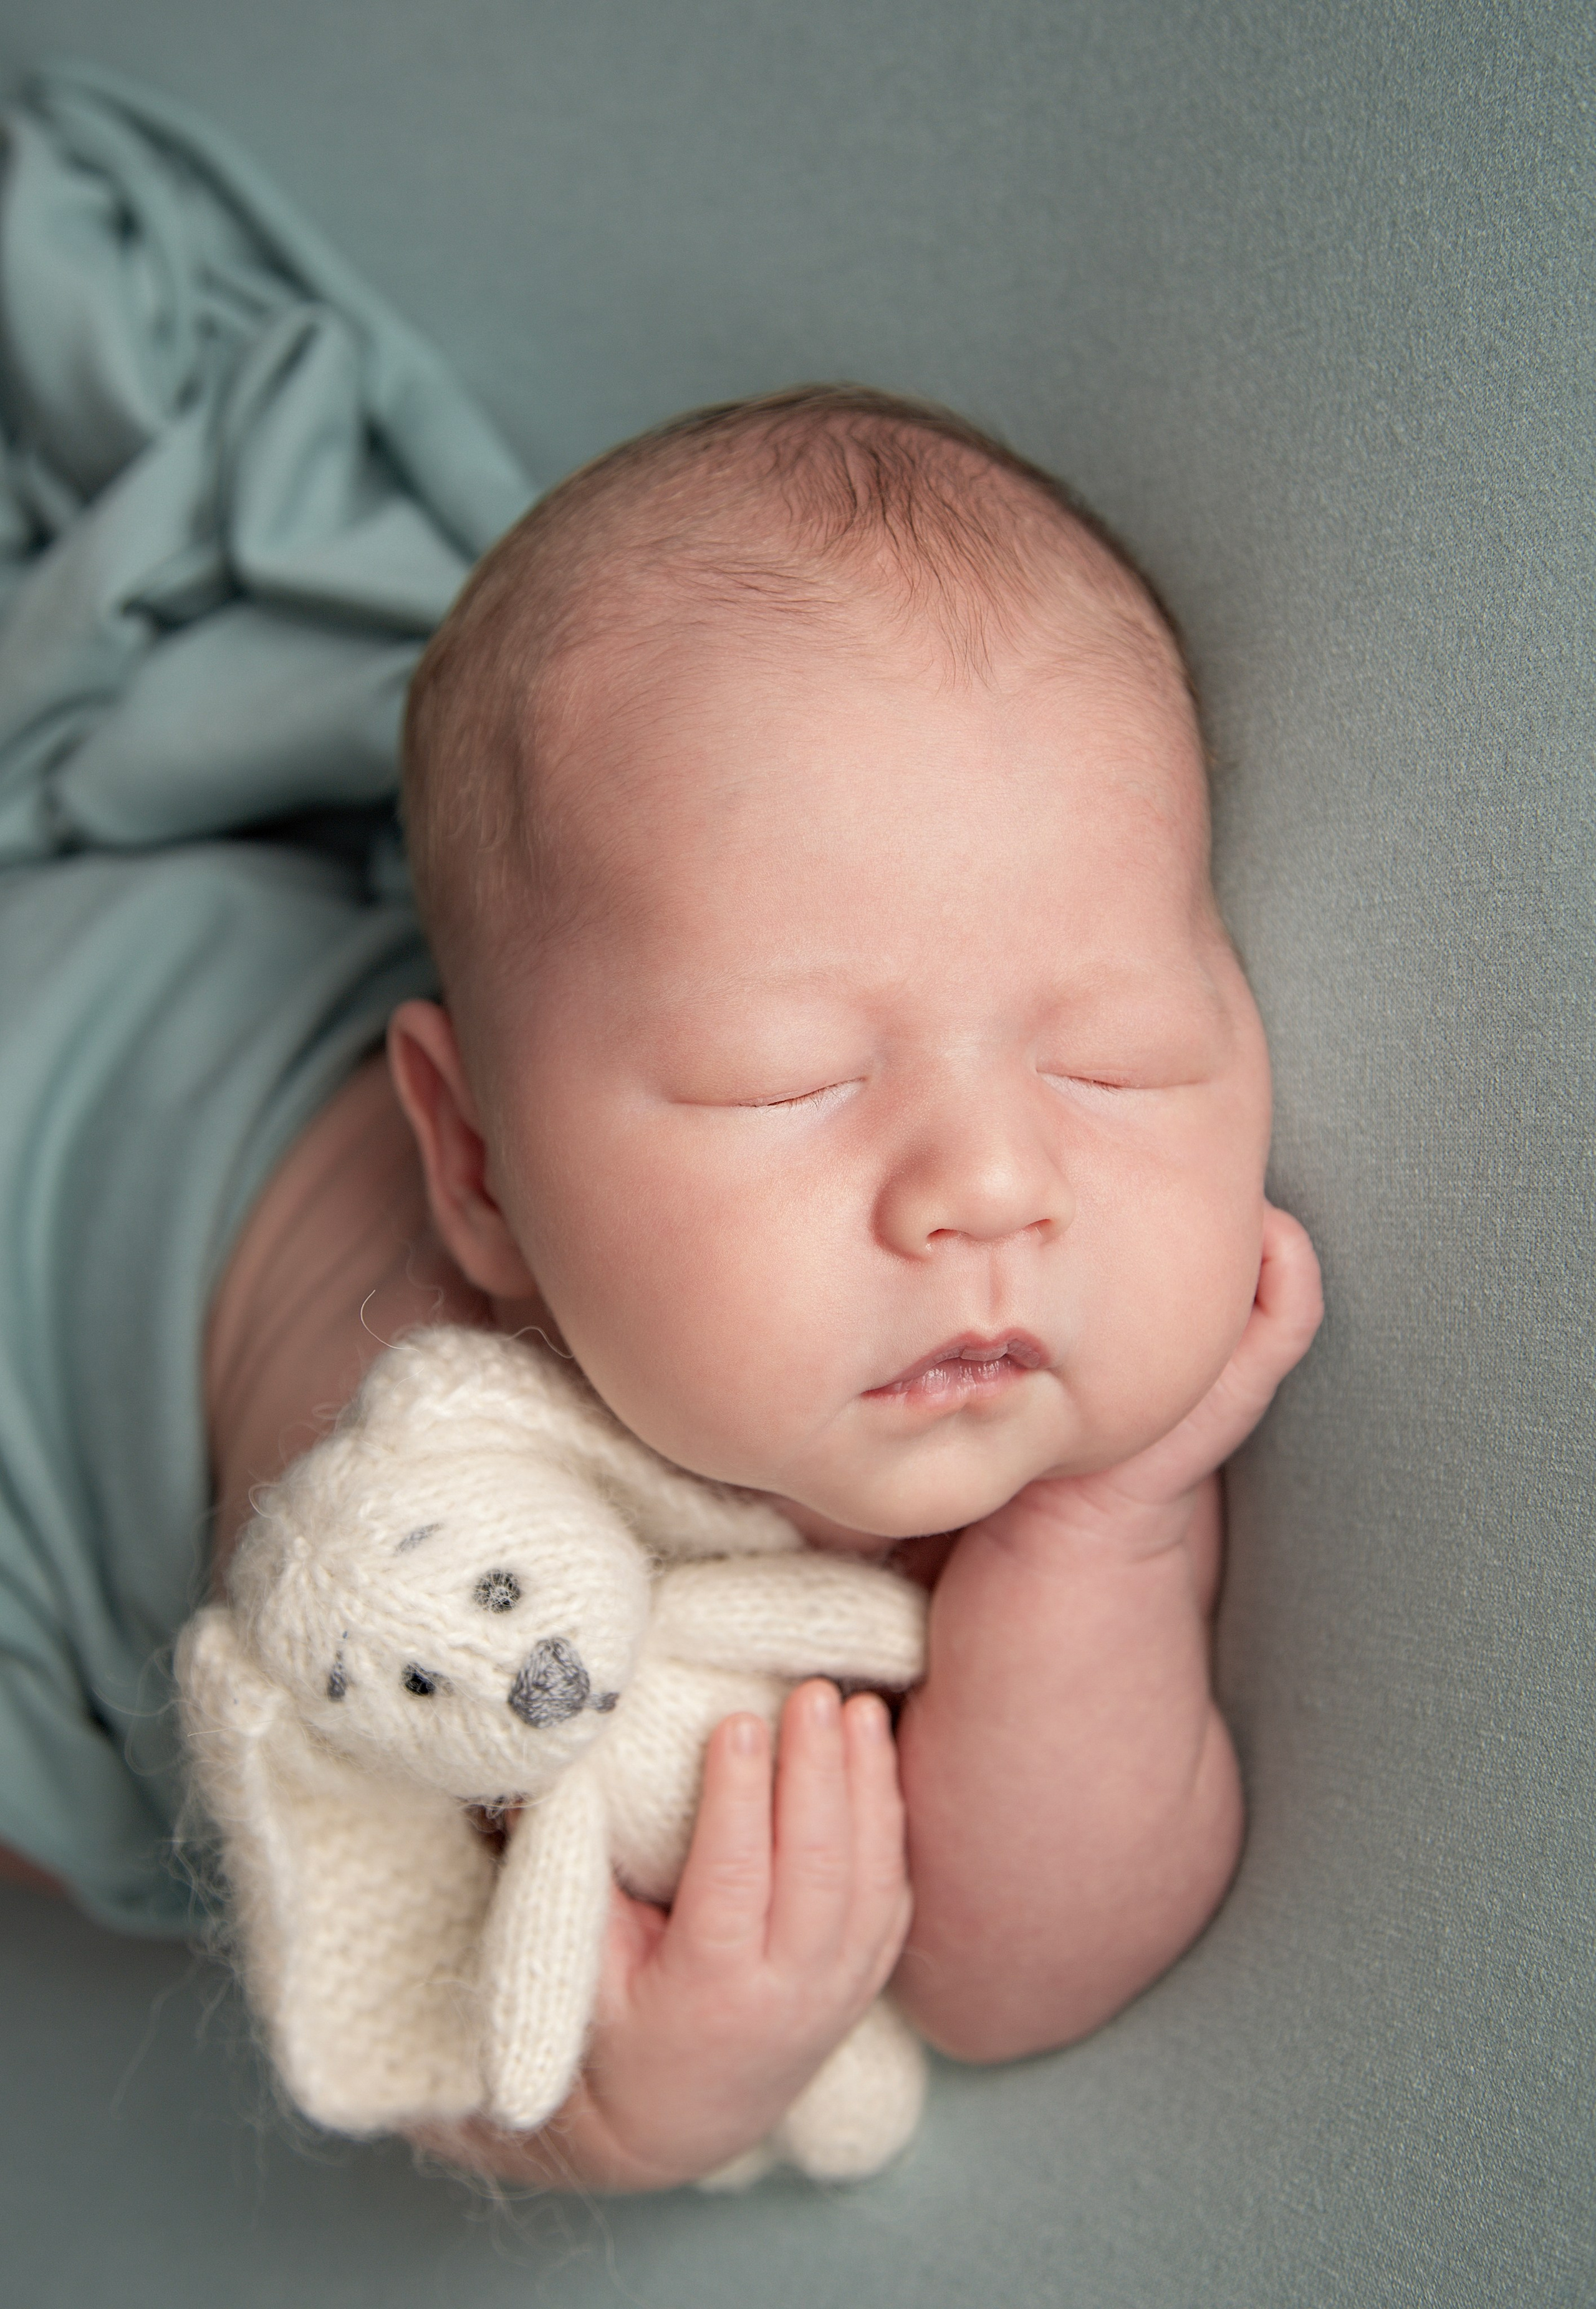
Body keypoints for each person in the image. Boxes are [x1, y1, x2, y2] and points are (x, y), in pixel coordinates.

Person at [6, 383, 1324, 2191]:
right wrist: (622, 2106)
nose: (993, 1187)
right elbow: (384, 1952)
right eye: (784, 1082)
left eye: (1114, 1059)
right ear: (476, 1169)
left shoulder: (983, 1354)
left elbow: (1015, 1972)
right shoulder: (425, 1509)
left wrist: (1095, 1537)